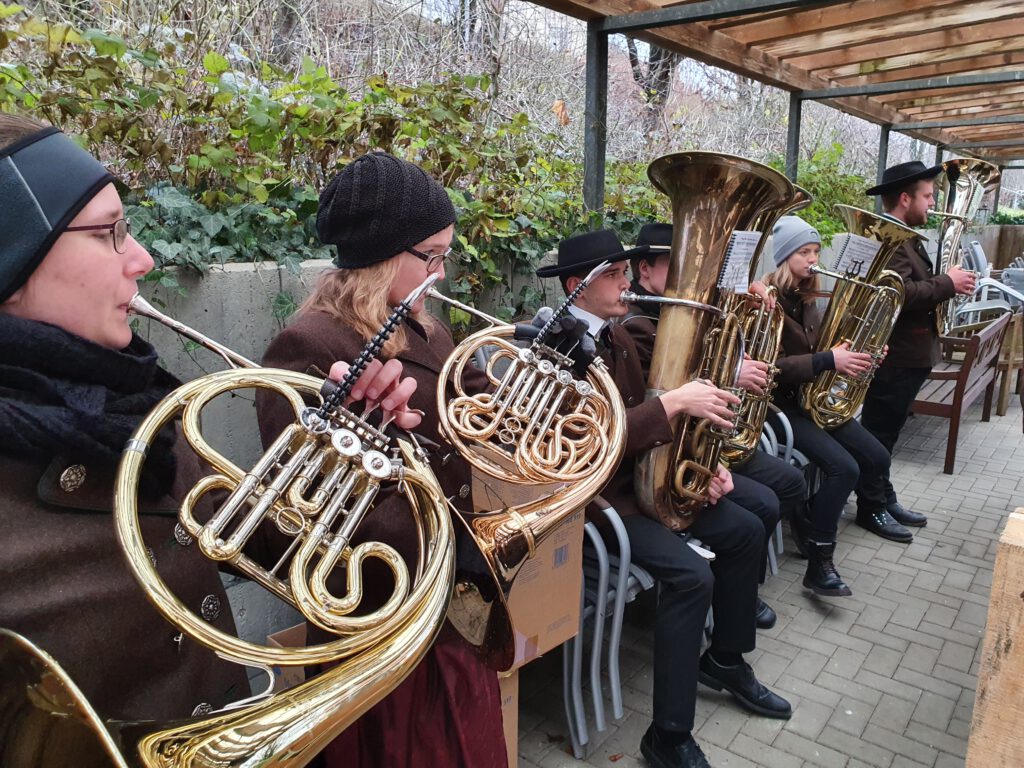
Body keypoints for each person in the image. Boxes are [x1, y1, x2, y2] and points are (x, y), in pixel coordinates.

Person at [0, 116, 420, 732]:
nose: (141, 259)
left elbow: (260, 544)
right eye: (109, 233)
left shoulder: (135, 405)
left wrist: (342, 454)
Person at [255, 151, 508, 768]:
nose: (442, 274)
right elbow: (311, 514)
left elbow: (470, 400)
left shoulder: (429, 328)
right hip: (377, 619)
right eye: (433, 256)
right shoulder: (308, 345)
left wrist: (516, 403)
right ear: (384, 254)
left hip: (449, 604)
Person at [537, 229, 792, 768]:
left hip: (645, 483)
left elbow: (659, 423)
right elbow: (585, 445)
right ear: (574, 284)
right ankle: (668, 736)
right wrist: (674, 403)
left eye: (626, 272)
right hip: (601, 503)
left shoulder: (618, 335)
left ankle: (725, 658)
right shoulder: (554, 348)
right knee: (691, 576)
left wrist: (706, 465)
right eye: (613, 274)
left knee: (746, 528)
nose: (626, 281)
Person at [625, 222, 807, 630]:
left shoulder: (689, 313)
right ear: (645, 272)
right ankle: (733, 604)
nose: (689, 278)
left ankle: (737, 599)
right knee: (756, 511)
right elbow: (671, 398)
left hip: (694, 449)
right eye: (676, 266)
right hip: (663, 463)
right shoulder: (638, 326)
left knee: (772, 498)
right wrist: (730, 375)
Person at [764, 215, 902, 595]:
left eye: (815, 251)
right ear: (784, 256)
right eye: (803, 252)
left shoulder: (811, 298)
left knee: (876, 458)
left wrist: (867, 351)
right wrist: (829, 360)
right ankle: (819, 560)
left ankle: (808, 515)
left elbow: (831, 348)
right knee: (844, 468)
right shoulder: (769, 302)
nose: (812, 259)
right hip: (780, 409)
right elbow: (769, 369)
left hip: (811, 401)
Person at [857, 161, 977, 529]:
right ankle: (870, 506)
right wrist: (947, 283)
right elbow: (898, 294)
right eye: (927, 196)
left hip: (911, 354)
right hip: (895, 355)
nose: (931, 203)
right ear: (905, 198)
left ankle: (884, 496)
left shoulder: (906, 237)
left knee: (888, 434)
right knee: (879, 433)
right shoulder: (890, 238)